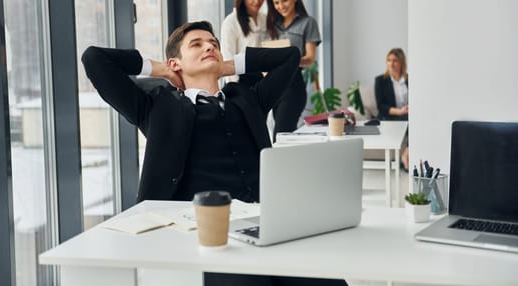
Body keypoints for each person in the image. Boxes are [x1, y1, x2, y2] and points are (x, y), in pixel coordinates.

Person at [82, 21, 346, 286]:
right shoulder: (157, 108)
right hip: (206, 235)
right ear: (176, 63)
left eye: (214, 45)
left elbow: (289, 57)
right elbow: (94, 59)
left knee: (326, 278)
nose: (209, 46)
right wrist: (159, 68)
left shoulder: (248, 98)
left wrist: (229, 66)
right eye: (196, 44)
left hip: (265, 222)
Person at [266, 0, 321, 140]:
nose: (280, 6)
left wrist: (290, 60)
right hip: (275, 86)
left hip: (293, 85)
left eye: (284, 0)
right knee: (285, 136)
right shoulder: (272, 25)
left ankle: (279, 165)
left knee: (280, 135)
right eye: (276, 3)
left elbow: (310, 58)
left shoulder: (307, 23)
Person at [221, 0, 268, 86]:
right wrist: (235, 86)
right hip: (240, 80)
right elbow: (227, 56)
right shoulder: (231, 22)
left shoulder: (264, 19)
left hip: (262, 80)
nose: (257, 0)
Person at [374, 47, 409, 168]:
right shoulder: (380, 81)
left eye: (395, 60)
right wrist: (399, 112)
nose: (391, 63)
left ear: (401, 62)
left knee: (413, 121)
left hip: (407, 115)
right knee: (409, 122)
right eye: (389, 60)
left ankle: (407, 152)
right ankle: (406, 157)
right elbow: (381, 106)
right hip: (388, 116)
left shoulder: (409, 80)